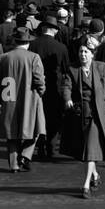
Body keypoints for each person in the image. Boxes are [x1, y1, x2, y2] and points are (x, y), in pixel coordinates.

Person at [62, 41, 105, 196]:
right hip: (81, 114)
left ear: (93, 54)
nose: (83, 54)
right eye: (81, 51)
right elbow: (66, 86)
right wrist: (67, 98)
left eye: (86, 52)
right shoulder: (73, 69)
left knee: (91, 149)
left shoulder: (101, 67)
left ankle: (86, 185)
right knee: (87, 148)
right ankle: (95, 175)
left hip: (98, 114)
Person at [0, 28, 46, 172]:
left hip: (9, 95)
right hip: (29, 97)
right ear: (28, 43)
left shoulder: (4, 57)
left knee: (11, 132)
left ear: (15, 41)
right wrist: (41, 92)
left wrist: (1, 97)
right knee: (35, 128)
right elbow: (39, 80)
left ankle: (13, 164)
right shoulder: (34, 57)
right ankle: (25, 155)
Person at [29, 16, 71, 159]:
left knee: (38, 118)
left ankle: (40, 146)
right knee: (54, 119)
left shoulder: (33, 45)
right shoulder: (61, 47)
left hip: (36, 88)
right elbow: (66, 70)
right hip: (55, 89)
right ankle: (51, 148)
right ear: (54, 30)